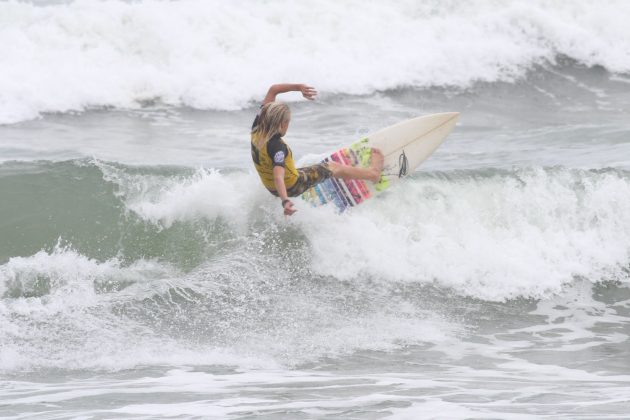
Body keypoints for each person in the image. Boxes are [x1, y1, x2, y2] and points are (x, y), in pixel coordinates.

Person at [250, 83, 384, 216]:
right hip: (292, 186)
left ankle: (309, 182)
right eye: (288, 122)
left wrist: (298, 87)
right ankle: (373, 174)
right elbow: (278, 176)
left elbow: (273, 90)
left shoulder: (257, 125)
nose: (288, 126)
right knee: (332, 167)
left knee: (305, 168)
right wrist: (285, 201)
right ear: (281, 124)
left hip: (270, 187)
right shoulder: (277, 147)